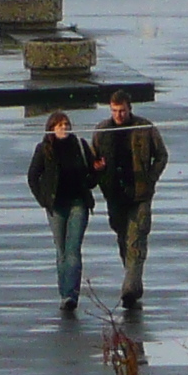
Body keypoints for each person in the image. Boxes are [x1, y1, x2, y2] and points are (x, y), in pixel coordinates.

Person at [87, 88, 168, 311]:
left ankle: (129, 288)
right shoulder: (102, 130)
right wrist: (97, 170)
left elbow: (161, 155)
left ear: (129, 109)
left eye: (122, 110)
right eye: (115, 110)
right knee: (123, 238)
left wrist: (151, 178)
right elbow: (93, 158)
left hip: (140, 193)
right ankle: (133, 279)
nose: (119, 115)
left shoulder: (144, 127)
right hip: (114, 193)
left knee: (137, 238)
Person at [27, 111, 97, 312]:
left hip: (78, 203)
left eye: (66, 124)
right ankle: (64, 292)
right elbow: (33, 177)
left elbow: (91, 179)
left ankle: (70, 295)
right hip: (56, 206)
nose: (63, 128)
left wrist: (98, 170)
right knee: (61, 251)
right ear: (51, 128)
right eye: (59, 125)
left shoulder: (80, 146)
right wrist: (44, 200)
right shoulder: (44, 149)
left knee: (73, 250)